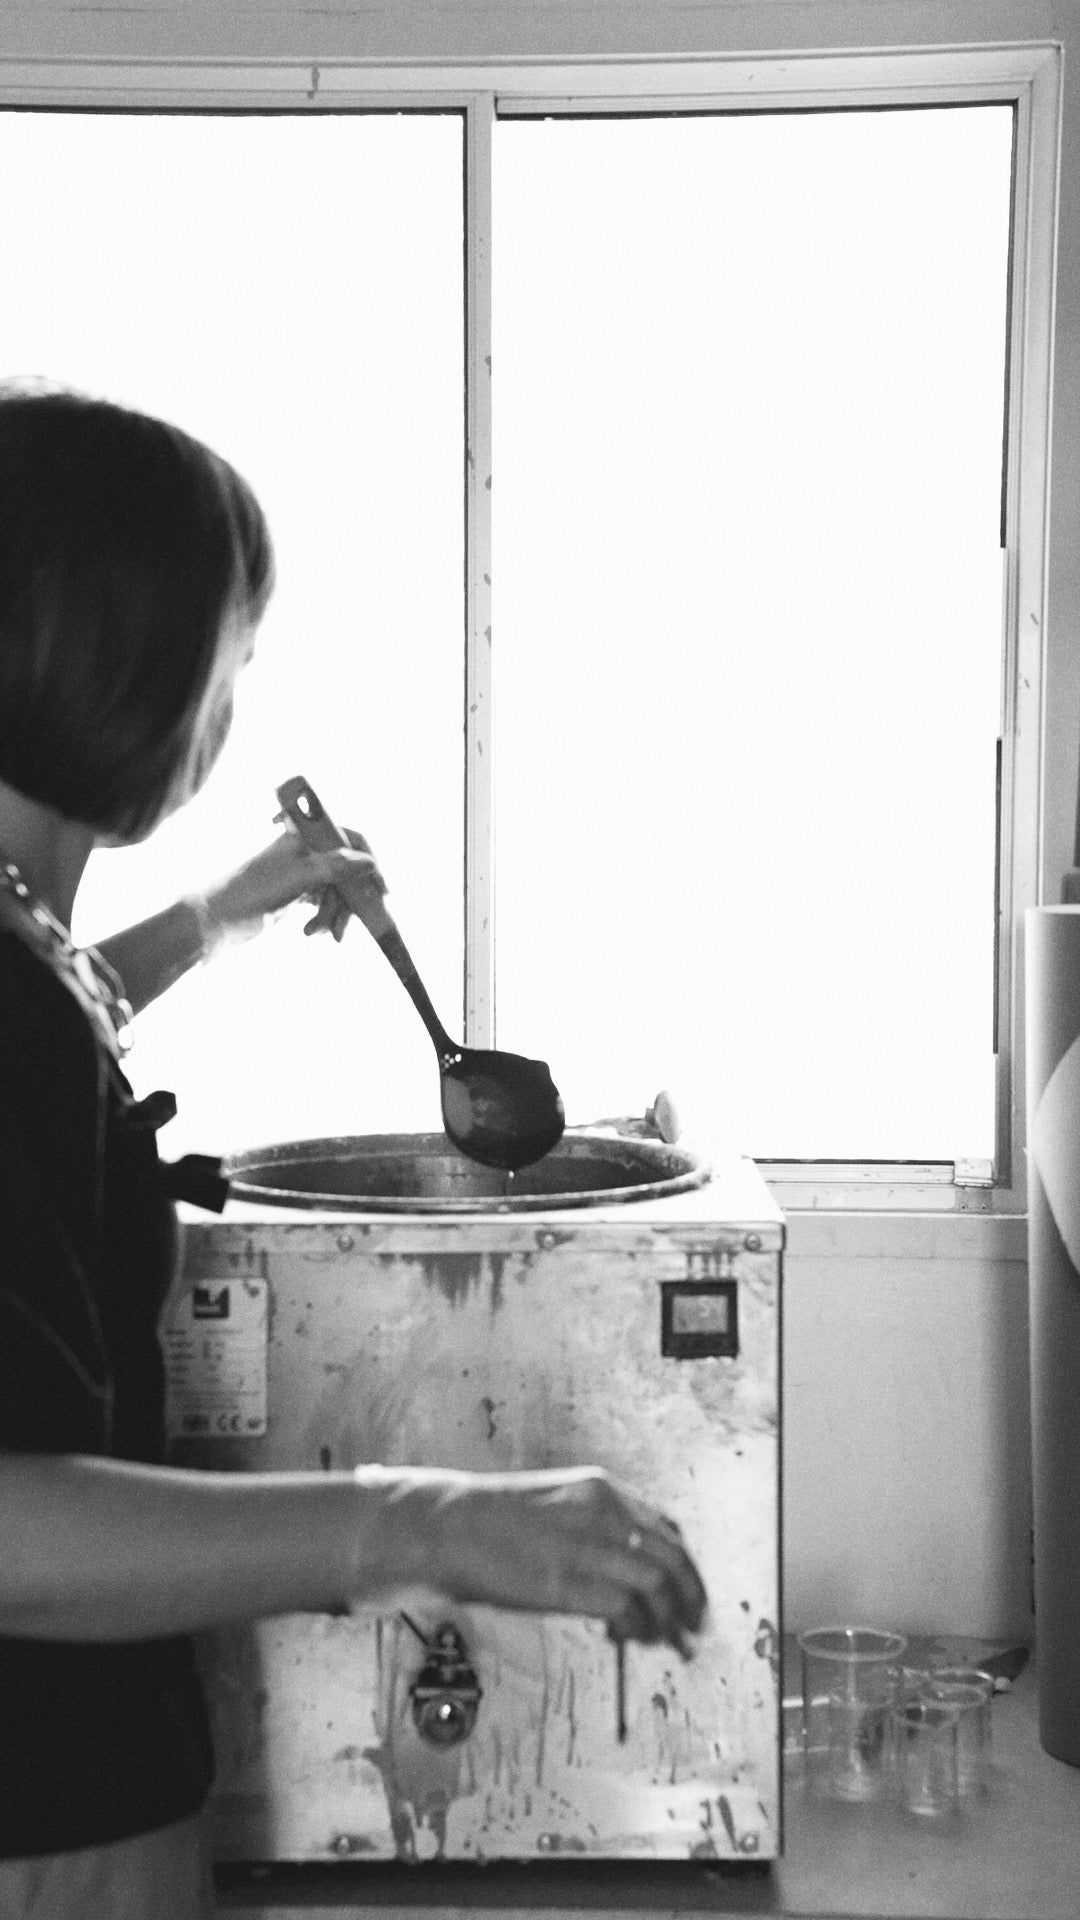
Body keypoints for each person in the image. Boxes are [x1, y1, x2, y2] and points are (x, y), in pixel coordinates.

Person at [0, 387, 707, 1917]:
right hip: (40, 1810)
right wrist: (431, 1520)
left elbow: (54, 1008)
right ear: (128, 655)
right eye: (231, 655)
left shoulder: (17, 935)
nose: (231, 700)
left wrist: (223, 908)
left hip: (83, 1767)